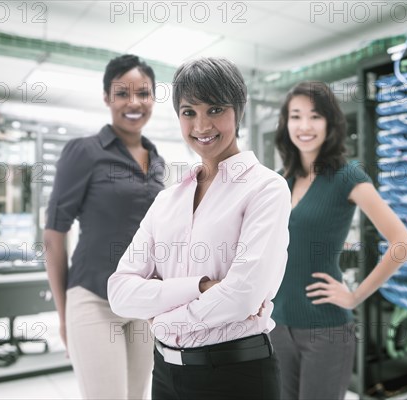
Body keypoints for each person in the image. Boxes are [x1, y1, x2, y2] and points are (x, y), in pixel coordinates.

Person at [107, 57, 291, 400]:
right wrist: (202, 286)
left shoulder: (266, 188)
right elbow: (119, 291)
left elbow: (241, 297)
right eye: (189, 112)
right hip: (164, 374)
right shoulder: (167, 200)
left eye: (216, 109)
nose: (202, 125)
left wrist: (161, 320)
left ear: (238, 112)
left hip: (236, 374)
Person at [271, 81, 407, 400]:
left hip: (325, 330)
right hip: (276, 327)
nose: (305, 126)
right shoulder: (281, 180)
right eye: (296, 116)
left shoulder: (347, 176)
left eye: (315, 116)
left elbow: (403, 243)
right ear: (286, 124)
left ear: (330, 123)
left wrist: (355, 296)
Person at [43, 54, 164, 399]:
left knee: (138, 395)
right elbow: (54, 234)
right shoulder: (84, 152)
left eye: (143, 93)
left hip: (142, 301)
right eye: (122, 93)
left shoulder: (157, 162)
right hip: (94, 298)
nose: (134, 103)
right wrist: (64, 313)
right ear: (107, 98)